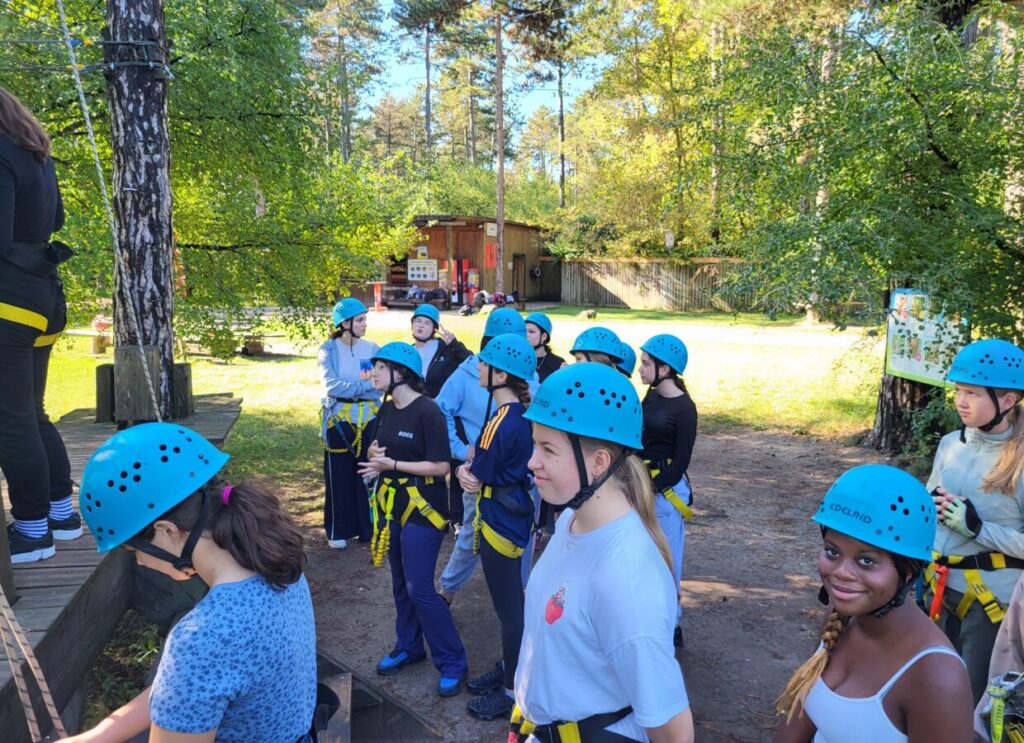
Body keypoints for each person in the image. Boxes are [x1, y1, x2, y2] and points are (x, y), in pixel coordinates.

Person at [62, 423, 317, 743]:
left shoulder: (203, 637)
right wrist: (98, 736)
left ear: (167, 531)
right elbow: (193, 684)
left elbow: (198, 668)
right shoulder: (278, 565)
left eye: (134, 551)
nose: (140, 562)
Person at [512, 363, 694, 743]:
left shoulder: (626, 579)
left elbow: (675, 733)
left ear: (599, 463)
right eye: (535, 444)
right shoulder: (571, 520)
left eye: (548, 449)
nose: (532, 462)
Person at [774, 464, 973, 743]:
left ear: (908, 571)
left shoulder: (937, 676)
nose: (842, 572)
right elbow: (801, 718)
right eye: (832, 552)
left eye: (866, 561)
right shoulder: (839, 617)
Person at [357, 342, 469, 696]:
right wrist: (374, 453)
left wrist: (392, 464)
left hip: (423, 508)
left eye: (380, 368)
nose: (373, 373)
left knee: (419, 587)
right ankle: (409, 645)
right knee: (400, 580)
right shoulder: (387, 408)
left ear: (401, 373)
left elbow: (441, 467)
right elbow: (377, 445)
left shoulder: (428, 412)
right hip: (392, 505)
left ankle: (453, 661)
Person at [0, 86, 77, 563]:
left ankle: (32, 532)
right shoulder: (34, 152)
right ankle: (61, 515)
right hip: (44, 296)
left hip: (9, 302)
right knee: (32, 412)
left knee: (10, 421)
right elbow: (58, 218)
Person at [925, 338, 1024, 704]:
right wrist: (929, 506)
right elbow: (930, 497)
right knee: (930, 689)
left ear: (1007, 401)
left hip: (990, 605)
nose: (961, 401)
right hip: (937, 587)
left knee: (970, 701)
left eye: (972, 393)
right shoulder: (951, 443)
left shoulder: (1020, 460)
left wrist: (978, 529)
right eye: (958, 391)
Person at [454, 333, 536, 721]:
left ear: (501, 376)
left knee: (509, 610)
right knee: (513, 603)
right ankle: (512, 666)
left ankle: (512, 691)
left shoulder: (500, 421)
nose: (479, 367)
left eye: (485, 364)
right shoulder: (522, 415)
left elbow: (477, 473)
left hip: (498, 522)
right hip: (514, 514)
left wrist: (462, 470)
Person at [436, 307, 536, 604]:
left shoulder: (526, 376)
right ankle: (447, 592)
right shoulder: (469, 372)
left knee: (521, 537)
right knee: (470, 536)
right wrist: (460, 450)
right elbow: (440, 410)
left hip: (518, 477)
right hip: (480, 471)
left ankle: (519, 596)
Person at [638, 334, 697, 648]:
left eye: (646, 364)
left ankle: (672, 623)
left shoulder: (685, 409)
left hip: (665, 493)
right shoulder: (650, 396)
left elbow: (682, 460)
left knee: (667, 558)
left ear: (665, 369)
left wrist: (653, 489)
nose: (640, 369)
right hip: (641, 485)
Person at [318, 297, 381, 549]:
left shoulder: (373, 349)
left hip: (369, 419)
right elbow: (330, 386)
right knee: (338, 475)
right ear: (345, 324)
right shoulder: (328, 350)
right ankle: (337, 530)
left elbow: (379, 386)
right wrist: (363, 387)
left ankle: (367, 527)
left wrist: (354, 389)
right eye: (360, 320)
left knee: (368, 473)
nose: (365, 324)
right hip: (339, 421)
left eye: (365, 319)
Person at [409, 303, 472, 398]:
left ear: (434, 329)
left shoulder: (445, 348)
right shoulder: (409, 353)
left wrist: (455, 345)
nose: (421, 325)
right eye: (418, 321)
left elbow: (471, 363)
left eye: (427, 323)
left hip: (443, 404)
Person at [525, 312, 565, 382]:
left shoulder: (558, 363)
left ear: (544, 336)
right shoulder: (516, 358)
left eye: (531, 332)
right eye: (524, 332)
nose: (526, 335)